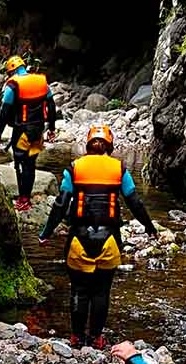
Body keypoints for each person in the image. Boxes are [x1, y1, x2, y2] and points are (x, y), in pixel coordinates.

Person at [38, 124, 157, 349]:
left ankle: (76, 337)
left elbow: (61, 204)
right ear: (109, 146)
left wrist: (46, 232)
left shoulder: (74, 168)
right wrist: (149, 227)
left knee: (79, 290)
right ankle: (95, 337)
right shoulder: (119, 168)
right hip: (109, 240)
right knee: (101, 292)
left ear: (88, 144)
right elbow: (135, 202)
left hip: (78, 239)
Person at [0, 55, 57, 212]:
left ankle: (23, 199)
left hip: (22, 132)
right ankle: (26, 197)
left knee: (20, 165)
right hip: (38, 131)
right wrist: (52, 128)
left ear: (11, 71)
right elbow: (51, 105)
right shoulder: (41, 82)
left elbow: (4, 111)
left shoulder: (13, 85)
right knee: (30, 164)